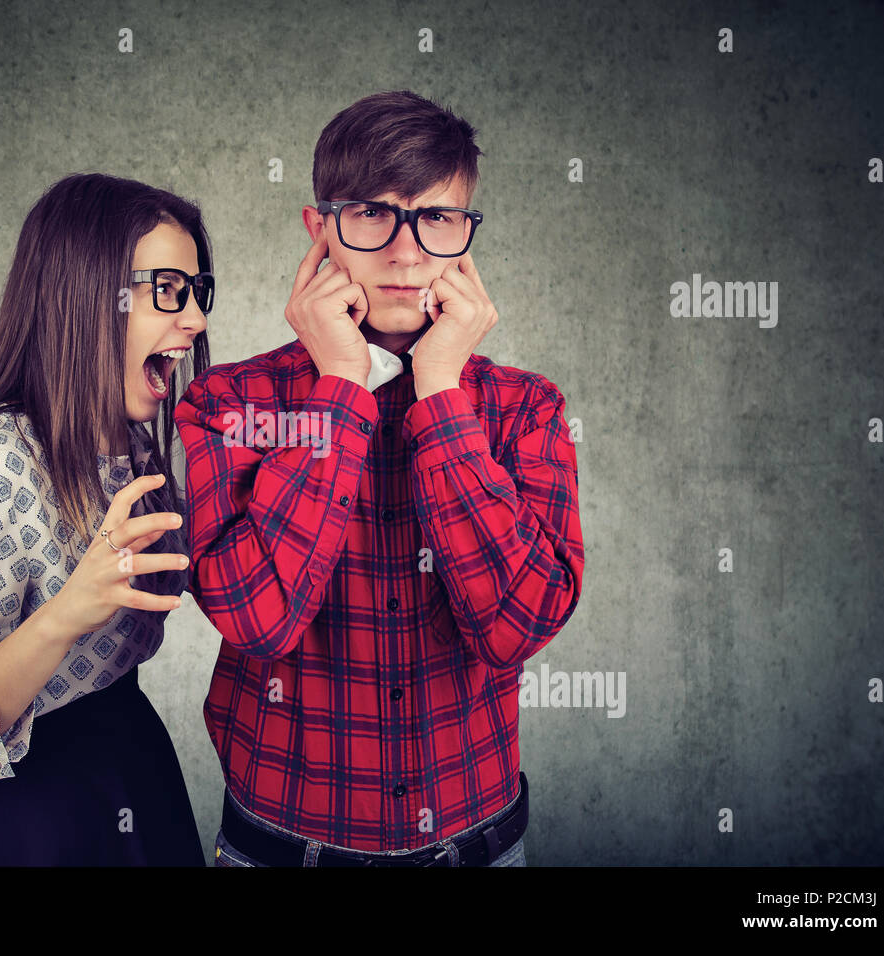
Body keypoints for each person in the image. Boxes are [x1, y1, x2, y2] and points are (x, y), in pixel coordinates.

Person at [175, 90, 585, 867]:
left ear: (466, 234)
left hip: (479, 847)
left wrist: (439, 390)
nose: (405, 252)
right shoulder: (229, 403)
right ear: (319, 228)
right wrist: (340, 385)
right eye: (371, 212)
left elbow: (518, 625)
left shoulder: (526, 409)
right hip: (280, 850)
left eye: (436, 218)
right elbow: (258, 619)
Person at [0, 173, 212, 865]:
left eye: (195, 293)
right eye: (167, 291)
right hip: (26, 814)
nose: (195, 321)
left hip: (131, 765)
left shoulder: (136, 449)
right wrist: (66, 613)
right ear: (86, 294)